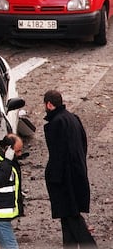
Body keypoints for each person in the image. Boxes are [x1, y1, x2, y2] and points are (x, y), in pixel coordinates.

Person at [43, 90, 97, 248]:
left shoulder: (55, 124)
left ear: (49, 104)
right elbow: (83, 144)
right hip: (77, 173)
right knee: (66, 218)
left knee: (72, 217)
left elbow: (57, 154)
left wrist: (52, 177)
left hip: (63, 179)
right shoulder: (73, 118)